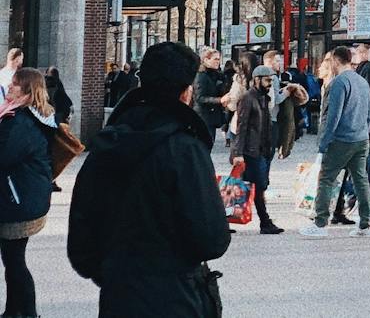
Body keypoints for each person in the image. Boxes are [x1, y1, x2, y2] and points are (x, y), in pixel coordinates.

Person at [68, 39, 232, 318]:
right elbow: (211, 239)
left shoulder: (108, 144)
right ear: (185, 92)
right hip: (176, 296)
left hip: (120, 295)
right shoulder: (185, 149)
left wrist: (112, 271)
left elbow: (82, 241)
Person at [0, 66, 58, 318]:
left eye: (14, 84)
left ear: (26, 92)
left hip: (18, 202)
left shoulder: (22, 121)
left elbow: (4, 157)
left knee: (15, 263)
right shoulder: (27, 116)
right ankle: (13, 311)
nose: (9, 87)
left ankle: (28, 314)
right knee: (12, 261)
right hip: (22, 198)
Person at [302, 47, 370, 237]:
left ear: (335, 60)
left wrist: (325, 141)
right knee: (361, 180)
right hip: (361, 138)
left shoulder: (338, 83)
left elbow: (334, 115)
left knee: (326, 179)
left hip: (341, 139)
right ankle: (366, 224)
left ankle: (320, 223)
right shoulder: (361, 81)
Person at [233, 67, 283, 235]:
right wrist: (238, 154)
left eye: (271, 80)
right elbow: (242, 127)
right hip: (250, 151)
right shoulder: (248, 99)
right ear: (257, 80)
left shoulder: (263, 98)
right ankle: (265, 222)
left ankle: (225, 218)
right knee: (256, 187)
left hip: (261, 150)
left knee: (253, 187)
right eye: (267, 80)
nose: (270, 84)